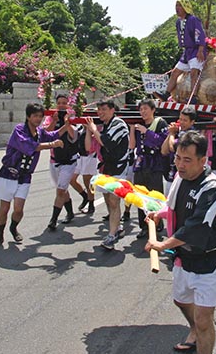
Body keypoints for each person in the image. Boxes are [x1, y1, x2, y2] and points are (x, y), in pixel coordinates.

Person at [145, 131, 216, 354]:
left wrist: (162, 244)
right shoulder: (180, 177)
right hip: (184, 257)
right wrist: (159, 214)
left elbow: (195, 228)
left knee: (203, 320)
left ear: (203, 160)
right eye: (178, 158)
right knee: (180, 301)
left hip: (208, 260)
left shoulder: (212, 188)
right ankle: (194, 329)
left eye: (187, 160)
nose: (180, 165)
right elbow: (173, 206)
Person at [0, 103, 67, 246]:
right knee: (5, 207)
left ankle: (13, 228)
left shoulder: (39, 132)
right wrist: (53, 145)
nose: (38, 119)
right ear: (28, 116)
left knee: (19, 209)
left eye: (40, 116)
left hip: (25, 175)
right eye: (35, 116)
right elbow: (31, 146)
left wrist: (65, 125)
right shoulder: (19, 130)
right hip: (9, 173)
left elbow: (51, 135)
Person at [85, 99, 130, 250]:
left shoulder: (119, 124)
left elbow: (107, 142)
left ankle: (112, 235)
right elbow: (88, 147)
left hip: (118, 167)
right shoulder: (104, 125)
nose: (101, 112)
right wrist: (88, 130)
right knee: (107, 198)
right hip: (106, 167)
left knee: (113, 200)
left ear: (112, 110)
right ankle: (116, 227)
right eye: (99, 110)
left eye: (104, 109)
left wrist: (93, 129)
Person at [129, 99, 168, 239]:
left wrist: (147, 132)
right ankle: (144, 226)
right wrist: (133, 130)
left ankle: (157, 223)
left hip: (155, 163)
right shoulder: (138, 125)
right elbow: (132, 146)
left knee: (154, 195)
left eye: (146, 108)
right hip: (140, 163)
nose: (143, 112)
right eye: (141, 109)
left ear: (153, 110)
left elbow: (164, 142)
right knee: (140, 195)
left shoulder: (160, 123)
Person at [44, 94, 80, 230]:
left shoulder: (73, 118)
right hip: (54, 160)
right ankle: (70, 212)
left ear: (68, 105)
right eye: (59, 103)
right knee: (61, 189)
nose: (61, 105)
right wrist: (53, 121)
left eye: (64, 103)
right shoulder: (51, 117)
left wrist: (67, 123)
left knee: (60, 191)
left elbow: (74, 136)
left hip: (69, 161)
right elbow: (44, 134)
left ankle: (53, 220)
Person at [161, 0, 207, 99]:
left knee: (194, 72)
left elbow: (200, 34)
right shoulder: (178, 22)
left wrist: (200, 50)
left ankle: (193, 97)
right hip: (187, 51)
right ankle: (166, 94)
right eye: (176, 6)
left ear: (185, 7)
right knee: (175, 72)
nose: (177, 8)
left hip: (196, 50)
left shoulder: (193, 20)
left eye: (179, 6)